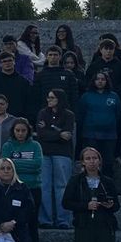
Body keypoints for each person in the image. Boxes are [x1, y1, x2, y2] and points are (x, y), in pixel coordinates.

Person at [0, 118, 42, 242]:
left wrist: (15, 165)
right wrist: (22, 166)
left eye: (23, 130)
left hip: (32, 188)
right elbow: (4, 166)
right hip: (13, 189)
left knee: (31, 224)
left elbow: (37, 165)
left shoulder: (35, 145)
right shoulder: (8, 146)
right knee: (14, 223)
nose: (20, 133)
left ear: (28, 131)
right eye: (17, 130)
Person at [35, 89, 75, 230]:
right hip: (44, 153)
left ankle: (63, 220)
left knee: (62, 187)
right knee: (44, 186)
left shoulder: (69, 115)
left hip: (62, 154)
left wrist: (50, 131)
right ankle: (46, 219)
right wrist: (58, 134)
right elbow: (41, 134)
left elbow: (68, 135)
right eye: (48, 97)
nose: (49, 100)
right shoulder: (42, 113)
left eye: (52, 97)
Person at [76, 72, 121, 179]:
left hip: (110, 136)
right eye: (97, 79)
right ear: (93, 81)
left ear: (107, 81)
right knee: (91, 163)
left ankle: (107, 187)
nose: (100, 81)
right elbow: (81, 115)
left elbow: (118, 115)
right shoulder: (86, 96)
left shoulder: (114, 96)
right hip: (90, 135)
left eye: (103, 79)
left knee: (108, 163)